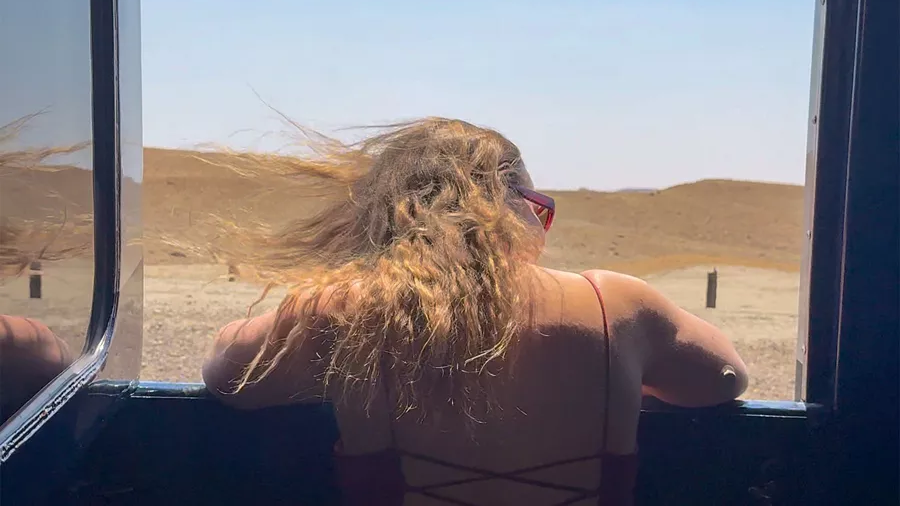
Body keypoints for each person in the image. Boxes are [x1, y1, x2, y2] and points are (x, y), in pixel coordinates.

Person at [202, 118, 749, 506]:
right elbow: (723, 379)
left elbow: (229, 377)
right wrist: (623, 379)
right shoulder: (617, 306)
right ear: (510, 207)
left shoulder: (346, 311)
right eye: (542, 210)